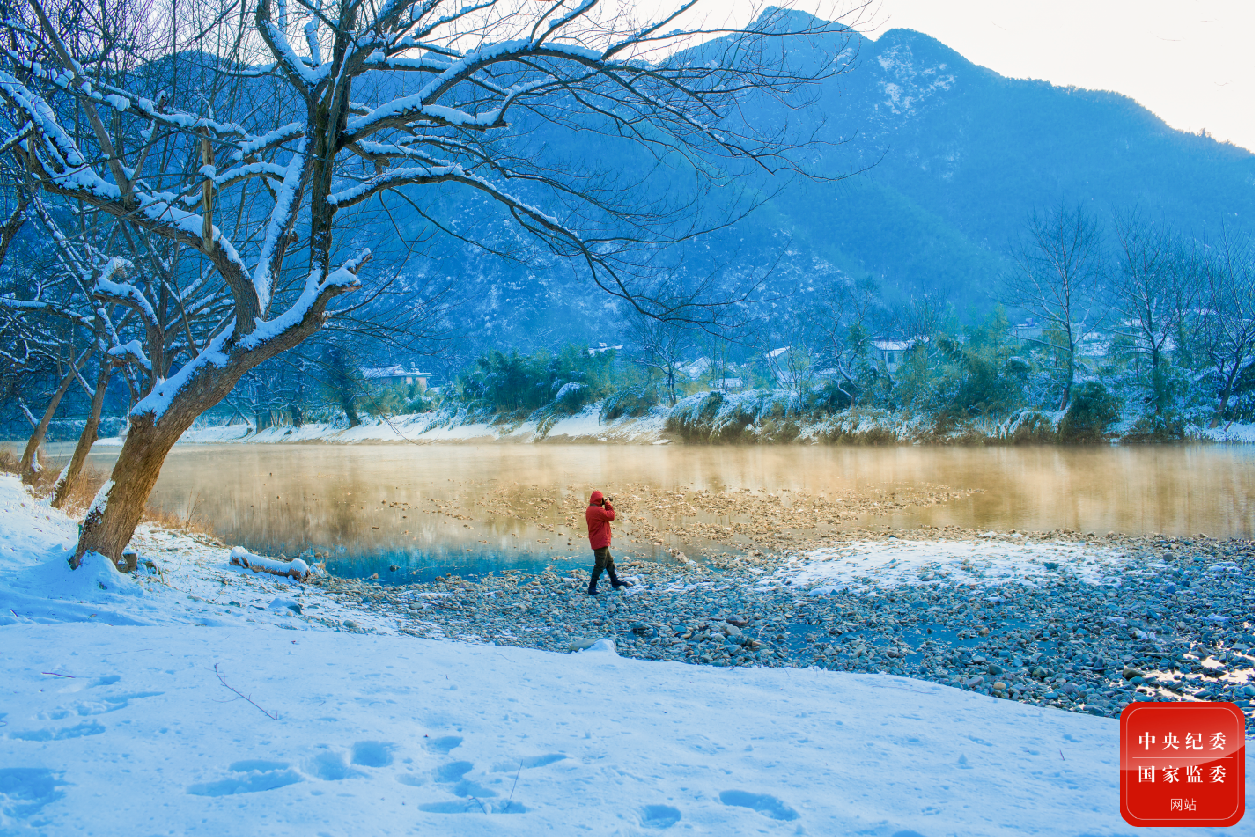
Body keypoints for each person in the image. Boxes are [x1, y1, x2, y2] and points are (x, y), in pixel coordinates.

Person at [584, 490, 631, 595]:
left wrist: (604, 503)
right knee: (600, 564)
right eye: (602, 499)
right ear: (598, 500)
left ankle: (614, 581)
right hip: (600, 541)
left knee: (609, 561)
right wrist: (608, 504)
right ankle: (591, 587)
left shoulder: (590, 509)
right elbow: (611, 516)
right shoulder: (598, 511)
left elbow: (605, 515)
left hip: (598, 540)